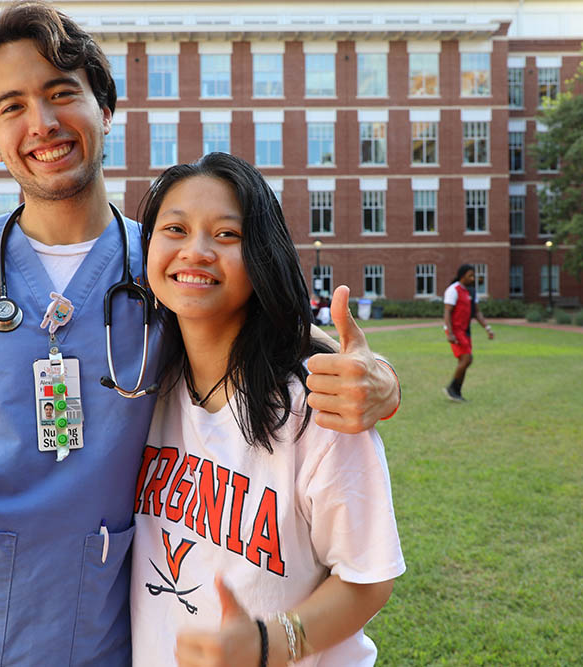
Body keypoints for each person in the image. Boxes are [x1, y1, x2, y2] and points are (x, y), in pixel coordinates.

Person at [0, 3, 401, 664]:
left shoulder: (166, 267)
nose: (42, 124)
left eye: (61, 94)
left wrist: (381, 379)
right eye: (12, 106)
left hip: (83, 635)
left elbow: (272, 325)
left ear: (104, 110)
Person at [131, 153, 404, 667]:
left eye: (227, 236)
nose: (196, 251)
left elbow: (368, 577)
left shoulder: (317, 407)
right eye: (175, 228)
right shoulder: (144, 381)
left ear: (262, 257)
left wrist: (268, 644)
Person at [442, 263, 494, 402]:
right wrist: (450, 333)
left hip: (466, 331)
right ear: (462, 275)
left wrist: (487, 328)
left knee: (466, 360)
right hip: (455, 330)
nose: (473, 278)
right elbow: (447, 312)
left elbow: (476, 312)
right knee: (466, 359)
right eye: (470, 275)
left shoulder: (471, 291)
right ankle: (452, 389)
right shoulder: (453, 290)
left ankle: (456, 391)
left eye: (473, 276)